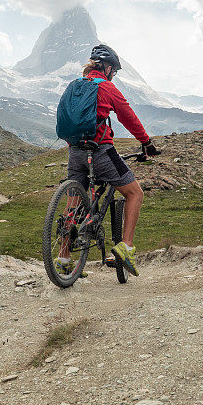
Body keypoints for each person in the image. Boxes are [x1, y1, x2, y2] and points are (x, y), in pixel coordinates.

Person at [55, 44, 160, 278]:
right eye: (115, 71)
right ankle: (127, 248)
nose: (115, 75)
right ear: (109, 68)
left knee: (74, 200)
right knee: (135, 193)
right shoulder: (107, 87)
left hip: (75, 150)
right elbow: (127, 116)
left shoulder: (74, 86)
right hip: (100, 150)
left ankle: (63, 258)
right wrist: (146, 142)